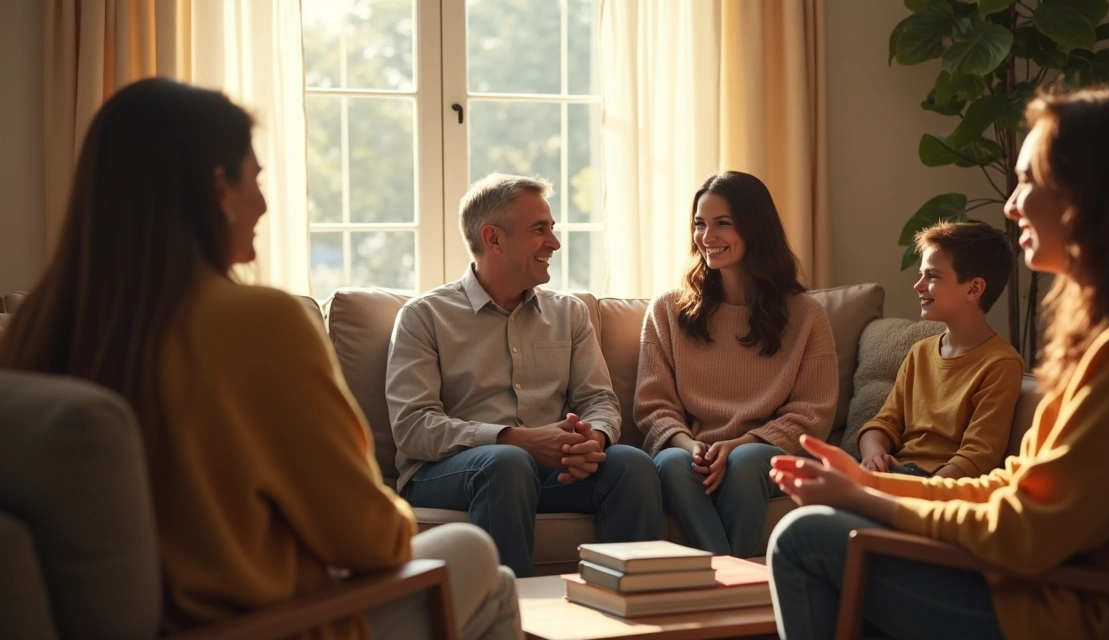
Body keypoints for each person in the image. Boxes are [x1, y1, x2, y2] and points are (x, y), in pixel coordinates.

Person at [0, 78, 521, 640]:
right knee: (476, 558)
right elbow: (369, 539)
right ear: (217, 189)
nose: (264, 204)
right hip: (269, 625)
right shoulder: (258, 324)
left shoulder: (33, 329)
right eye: (255, 179)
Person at [765, 89, 1109, 639]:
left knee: (805, 538)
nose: (1010, 204)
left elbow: (1023, 530)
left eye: (1028, 180)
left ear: (1089, 193)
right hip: (1041, 584)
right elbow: (1009, 488)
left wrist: (866, 497)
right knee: (827, 526)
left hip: (1071, 611)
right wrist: (869, 484)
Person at [385, 172, 663, 578]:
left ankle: (626, 618)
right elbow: (414, 427)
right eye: (539, 230)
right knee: (507, 463)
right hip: (449, 472)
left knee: (632, 465)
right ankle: (514, 622)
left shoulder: (569, 313)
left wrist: (593, 438)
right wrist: (518, 440)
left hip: (545, 471)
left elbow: (598, 401)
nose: (554, 243)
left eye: (552, 229)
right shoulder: (423, 317)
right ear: (493, 239)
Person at [634, 171, 838, 557]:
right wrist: (690, 445)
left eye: (722, 224)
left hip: (762, 451)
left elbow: (813, 412)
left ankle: (724, 579)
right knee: (673, 463)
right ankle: (734, 577)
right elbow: (653, 405)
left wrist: (742, 442)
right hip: (693, 449)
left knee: (744, 463)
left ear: (755, 228)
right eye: (700, 224)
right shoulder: (667, 310)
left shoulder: (807, 315)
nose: (707, 237)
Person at [856, 220, 1023, 479]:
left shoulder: (1001, 364)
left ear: (973, 289)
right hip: (895, 472)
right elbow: (883, 424)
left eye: (931, 276)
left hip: (930, 482)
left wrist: (914, 489)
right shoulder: (919, 353)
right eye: (921, 274)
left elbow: (977, 456)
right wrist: (872, 455)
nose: (918, 285)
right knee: (789, 464)